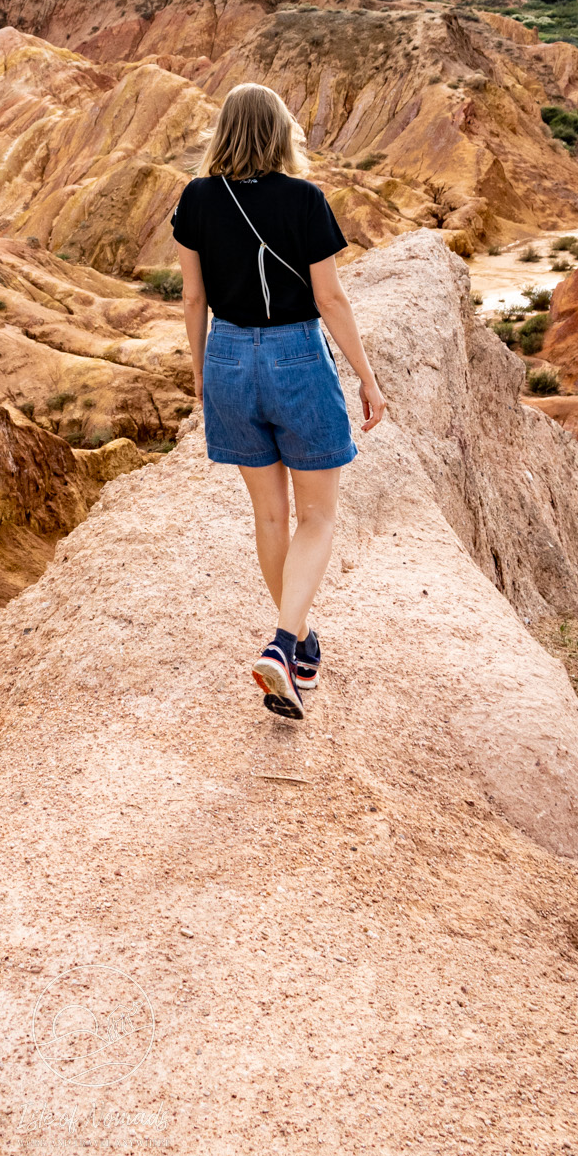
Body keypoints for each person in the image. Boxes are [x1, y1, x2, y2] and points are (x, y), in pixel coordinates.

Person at [171, 82, 387, 719]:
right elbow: (331, 300)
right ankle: (284, 643)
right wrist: (369, 380)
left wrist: (202, 373)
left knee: (270, 516)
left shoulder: (196, 198)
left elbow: (192, 299)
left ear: (224, 131)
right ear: (281, 130)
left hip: (229, 357)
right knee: (317, 516)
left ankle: (297, 643)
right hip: (295, 356)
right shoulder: (304, 199)